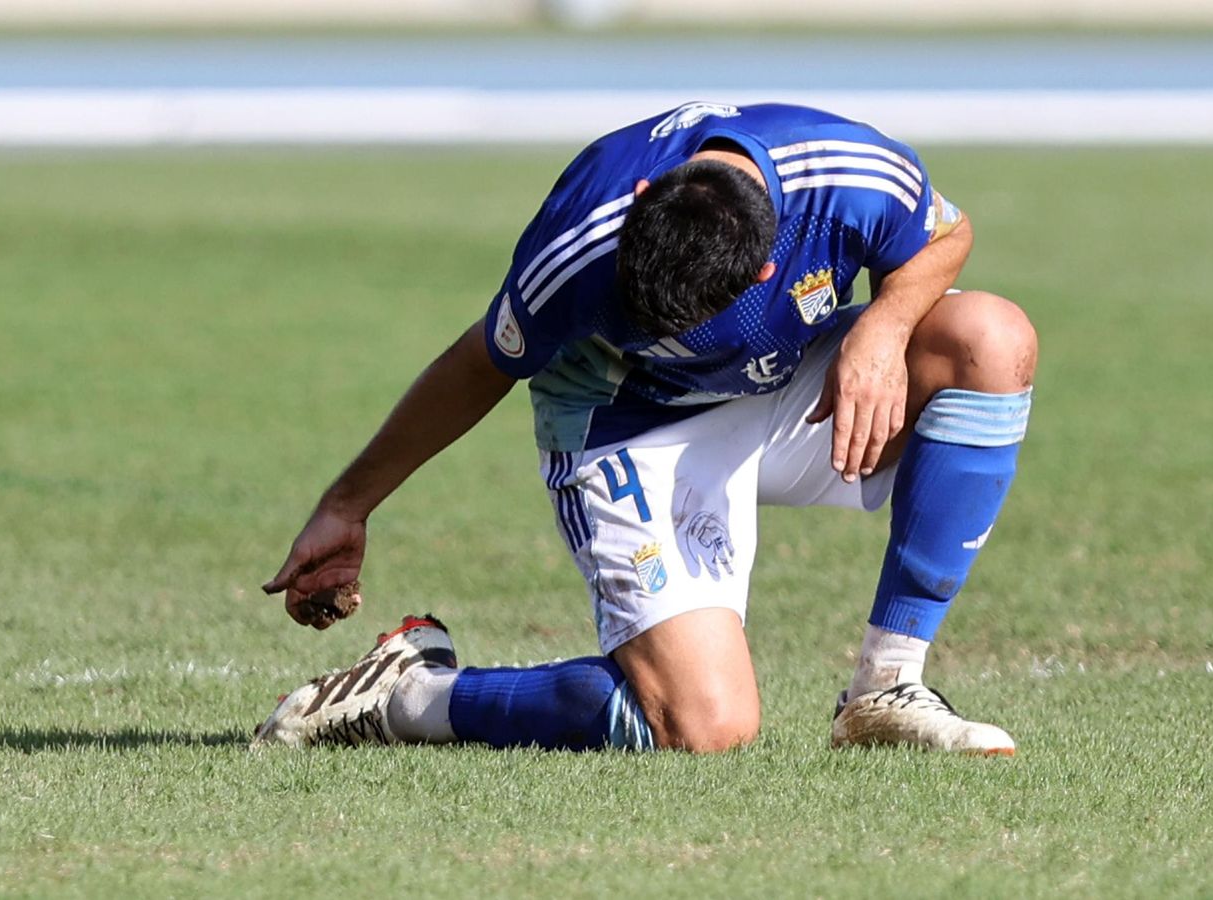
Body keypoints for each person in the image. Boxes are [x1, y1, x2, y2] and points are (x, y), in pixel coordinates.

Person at [255, 102, 1036, 755]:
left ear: (764, 268)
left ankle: (887, 688)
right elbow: (478, 366)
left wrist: (883, 329)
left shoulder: (850, 174)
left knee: (990, 340)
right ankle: (409, 693)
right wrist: (347, 505)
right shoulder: (574, 244)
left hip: (792, 386)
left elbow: (947, 234)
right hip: (627, 424)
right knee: (705, 726)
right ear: (640, 198)